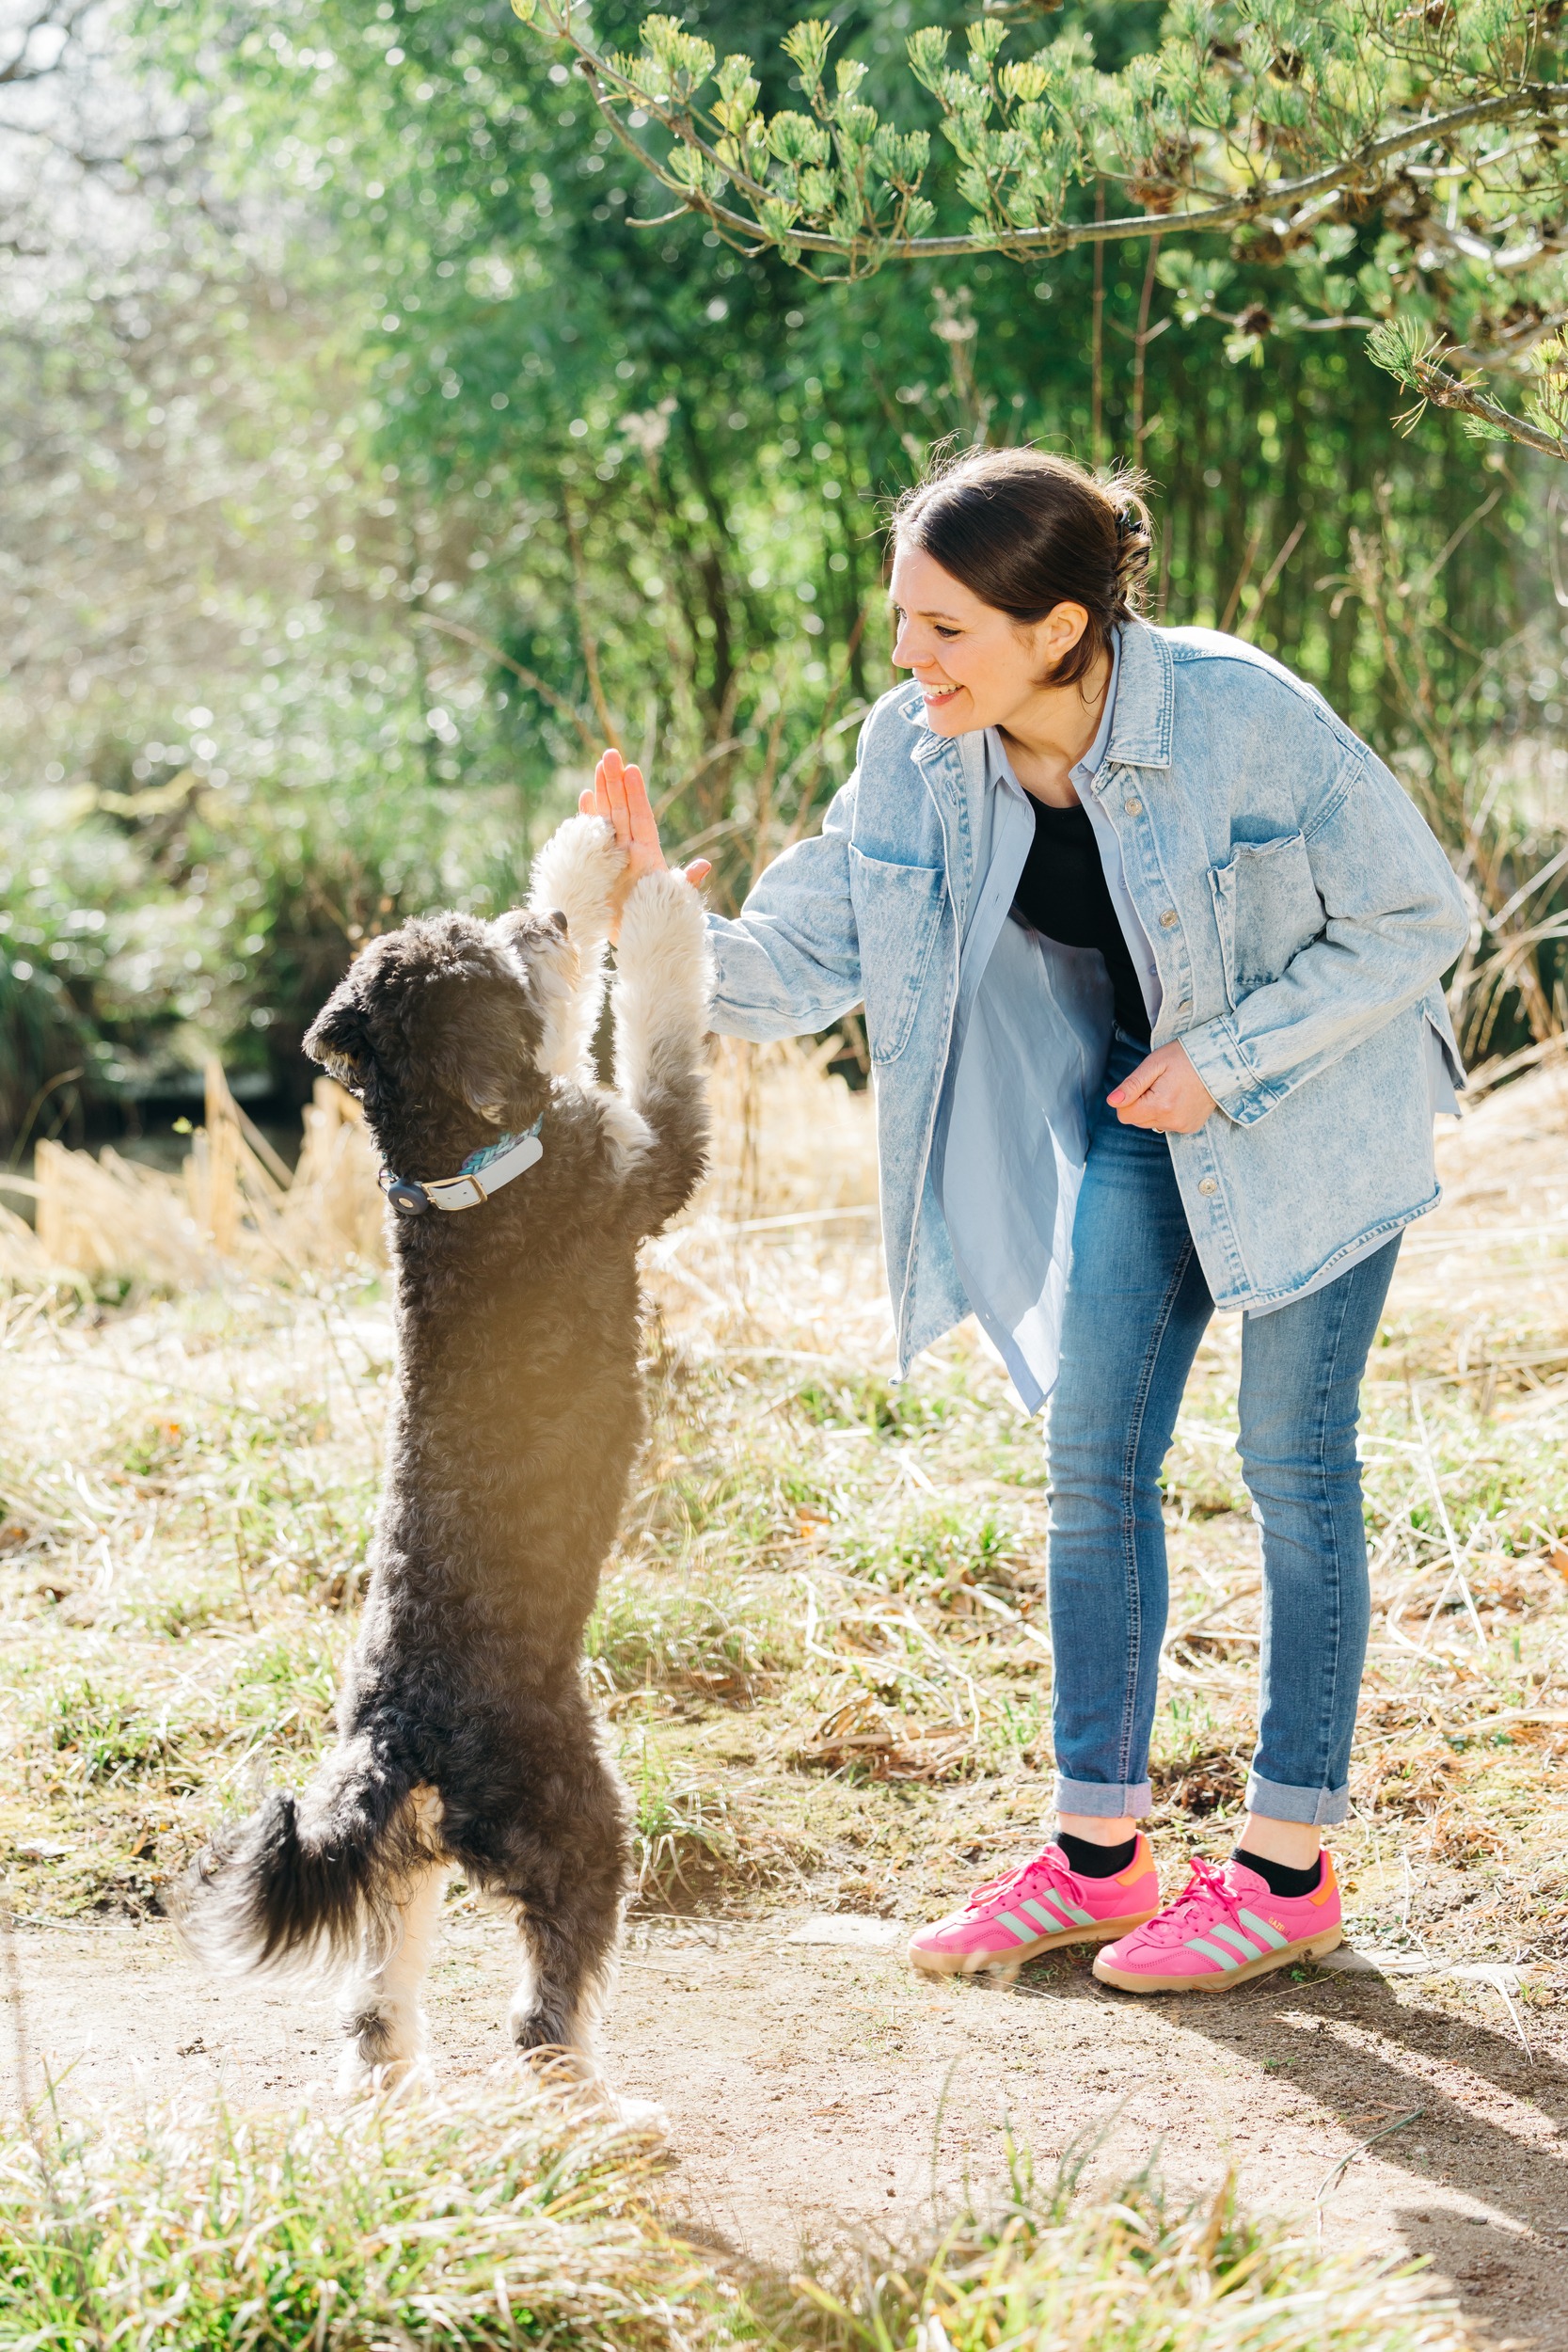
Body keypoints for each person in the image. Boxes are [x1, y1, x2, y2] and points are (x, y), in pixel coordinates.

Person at [580, 446, 1468, 1995]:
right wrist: (651, 915)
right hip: (1151, 1110)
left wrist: (1236, 1057)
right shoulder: (915, 748)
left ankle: (1285, 1870)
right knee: (1091, 1469)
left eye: (944, 629)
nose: (908, 658)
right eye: (903, 622)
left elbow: (1420, 918)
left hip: (1316, 1110)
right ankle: (1101, 1857)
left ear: (1058, 628)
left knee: (1291, 1468)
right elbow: (799, 963)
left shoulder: (1240, 713)